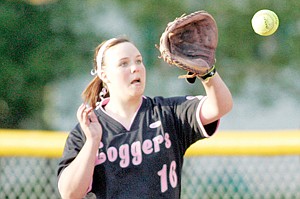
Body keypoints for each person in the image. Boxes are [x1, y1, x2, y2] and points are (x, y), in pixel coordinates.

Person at [57, 37, 233, 199]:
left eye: (138, 61)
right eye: (123, 64)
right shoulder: (88, 128)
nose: (135, 68)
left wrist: (207, 73)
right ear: (104, 75)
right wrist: (92, 142)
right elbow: (70, 193)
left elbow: (221, 106)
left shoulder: (167, 112)